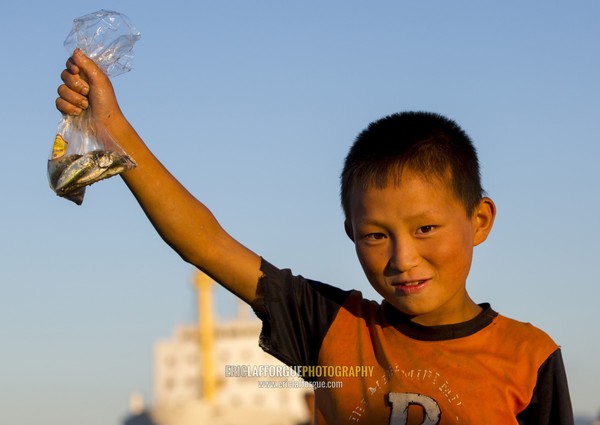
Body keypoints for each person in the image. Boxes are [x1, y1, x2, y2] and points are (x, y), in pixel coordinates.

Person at [55, 49, 574, 424]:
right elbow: (205, 243)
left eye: (425, 229)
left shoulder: (530, 357)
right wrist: (112, 130)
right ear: (349, 232)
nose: (402, 258)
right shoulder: (335, 329)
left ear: (479, 220)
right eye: (375, 235)